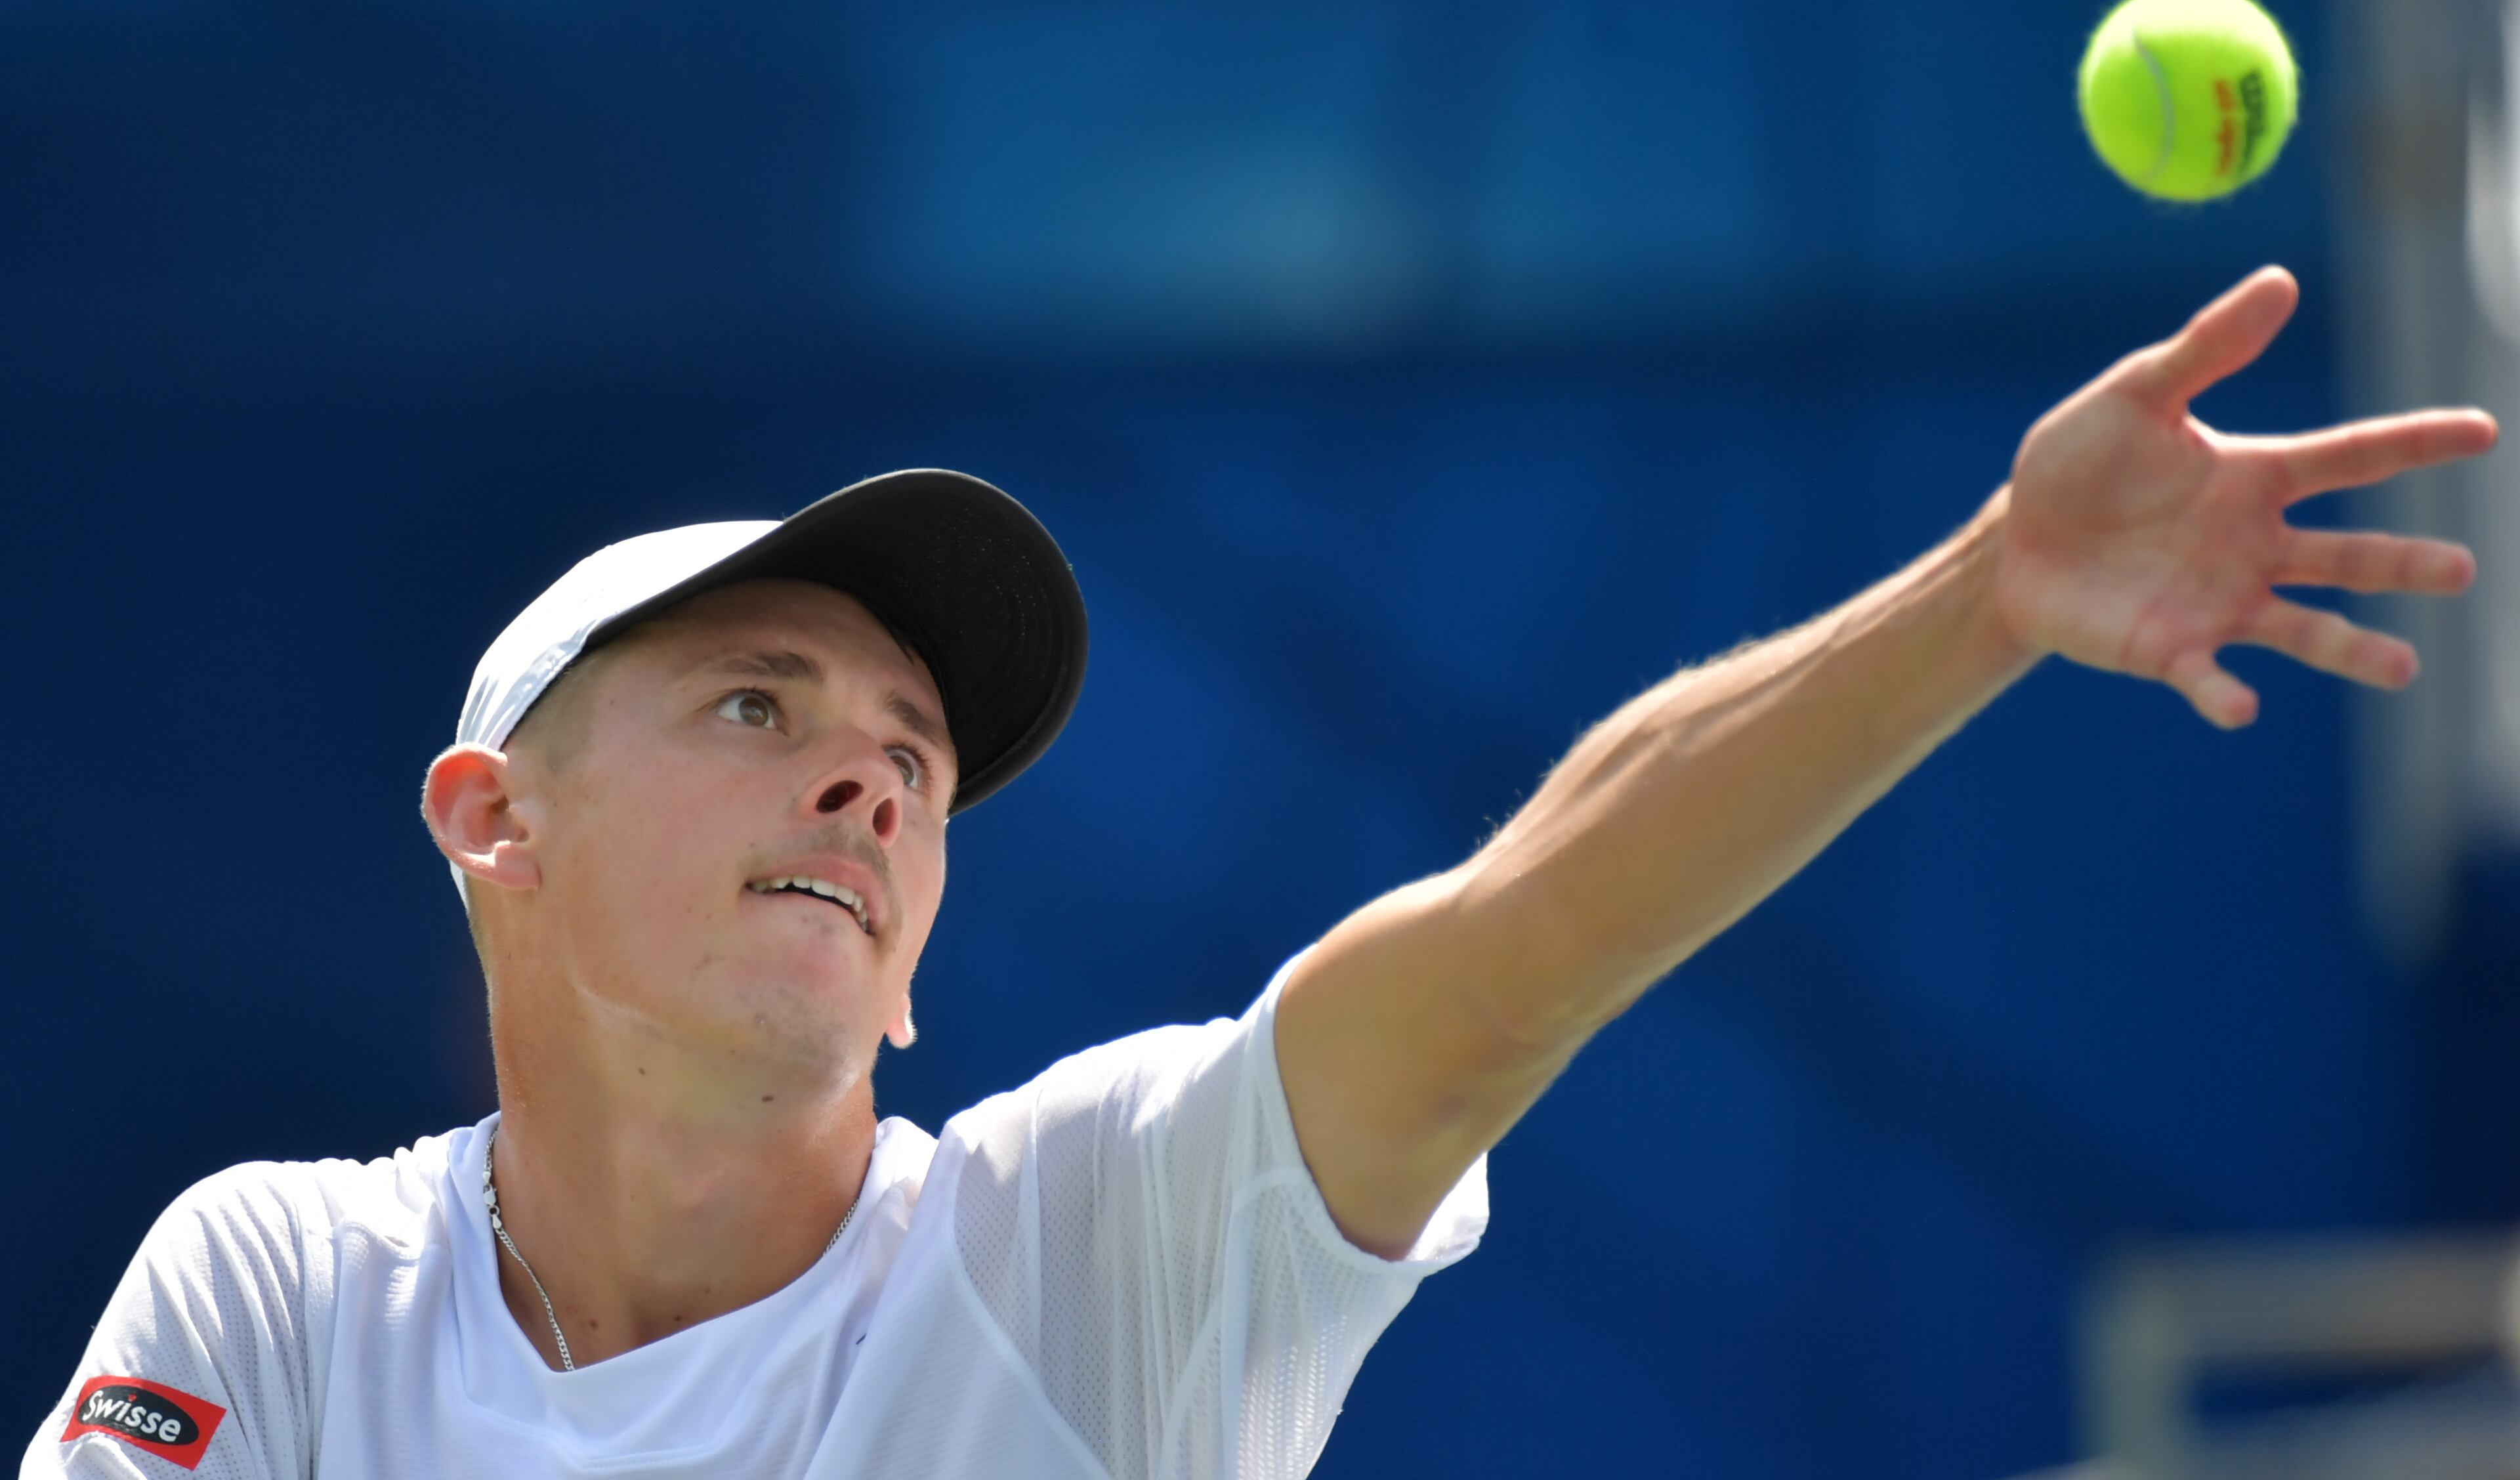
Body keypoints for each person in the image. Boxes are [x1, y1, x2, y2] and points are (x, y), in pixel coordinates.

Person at [24, 267, 2497, 1480]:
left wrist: (1988, 596)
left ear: (915, 978)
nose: (872, 788)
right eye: (761, 706)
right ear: (495, 822)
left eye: (916, 761)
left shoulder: (1083, 1238)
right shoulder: (277, 1291)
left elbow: (1527, 934)